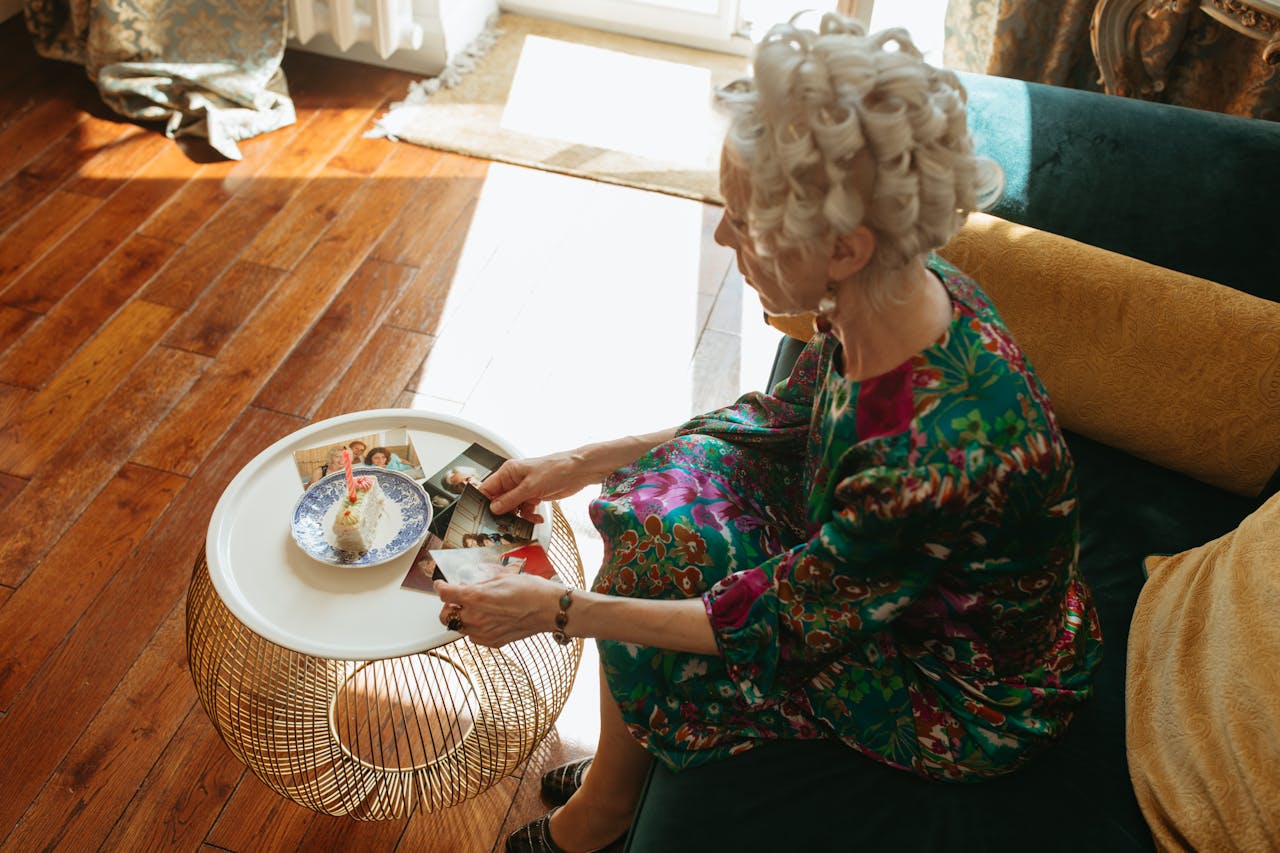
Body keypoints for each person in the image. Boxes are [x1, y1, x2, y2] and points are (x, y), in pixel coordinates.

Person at [433, 16, 1102, 853]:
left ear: (846, 247)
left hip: (958, 687)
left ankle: (603, 809)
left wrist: (557, 611)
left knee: (651, 574)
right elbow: (774, 420)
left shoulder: (925, 458)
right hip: (875, 573)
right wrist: (581, 460)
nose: (721, 236)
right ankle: (620, 777)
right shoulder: (905, 292)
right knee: (654, 500)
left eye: (743, 221)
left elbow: (765, 624)